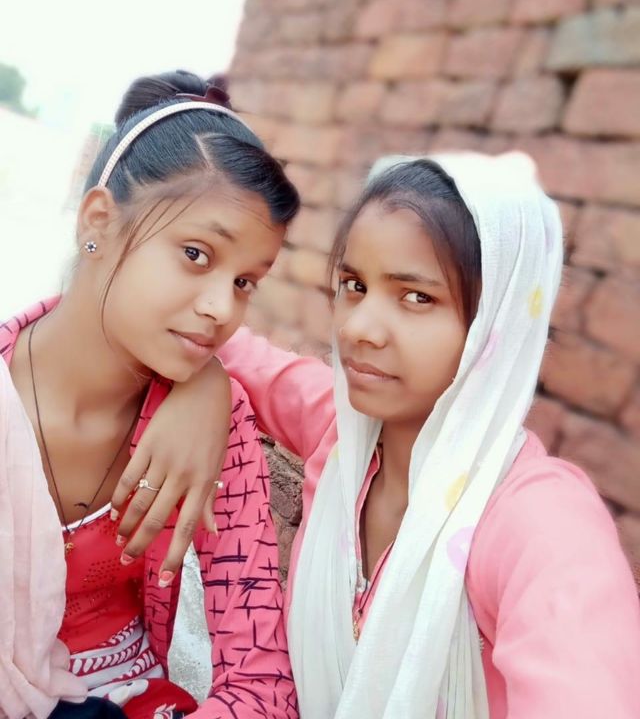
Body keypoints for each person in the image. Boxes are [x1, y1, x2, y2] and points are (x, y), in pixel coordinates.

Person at [153, 151, 640, 718]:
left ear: (495, 325)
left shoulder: (541, 524)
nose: (358, 328)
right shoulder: (345, 439)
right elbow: (230, 348)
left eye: (417, 297)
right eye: (354, 285)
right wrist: (203, 385)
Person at [1, 71, 299, 719]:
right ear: (98, 222)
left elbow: (262, 682)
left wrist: (212, 386)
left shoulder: (218, 422)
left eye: (246, 281)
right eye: (196, 254)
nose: (223, 309)